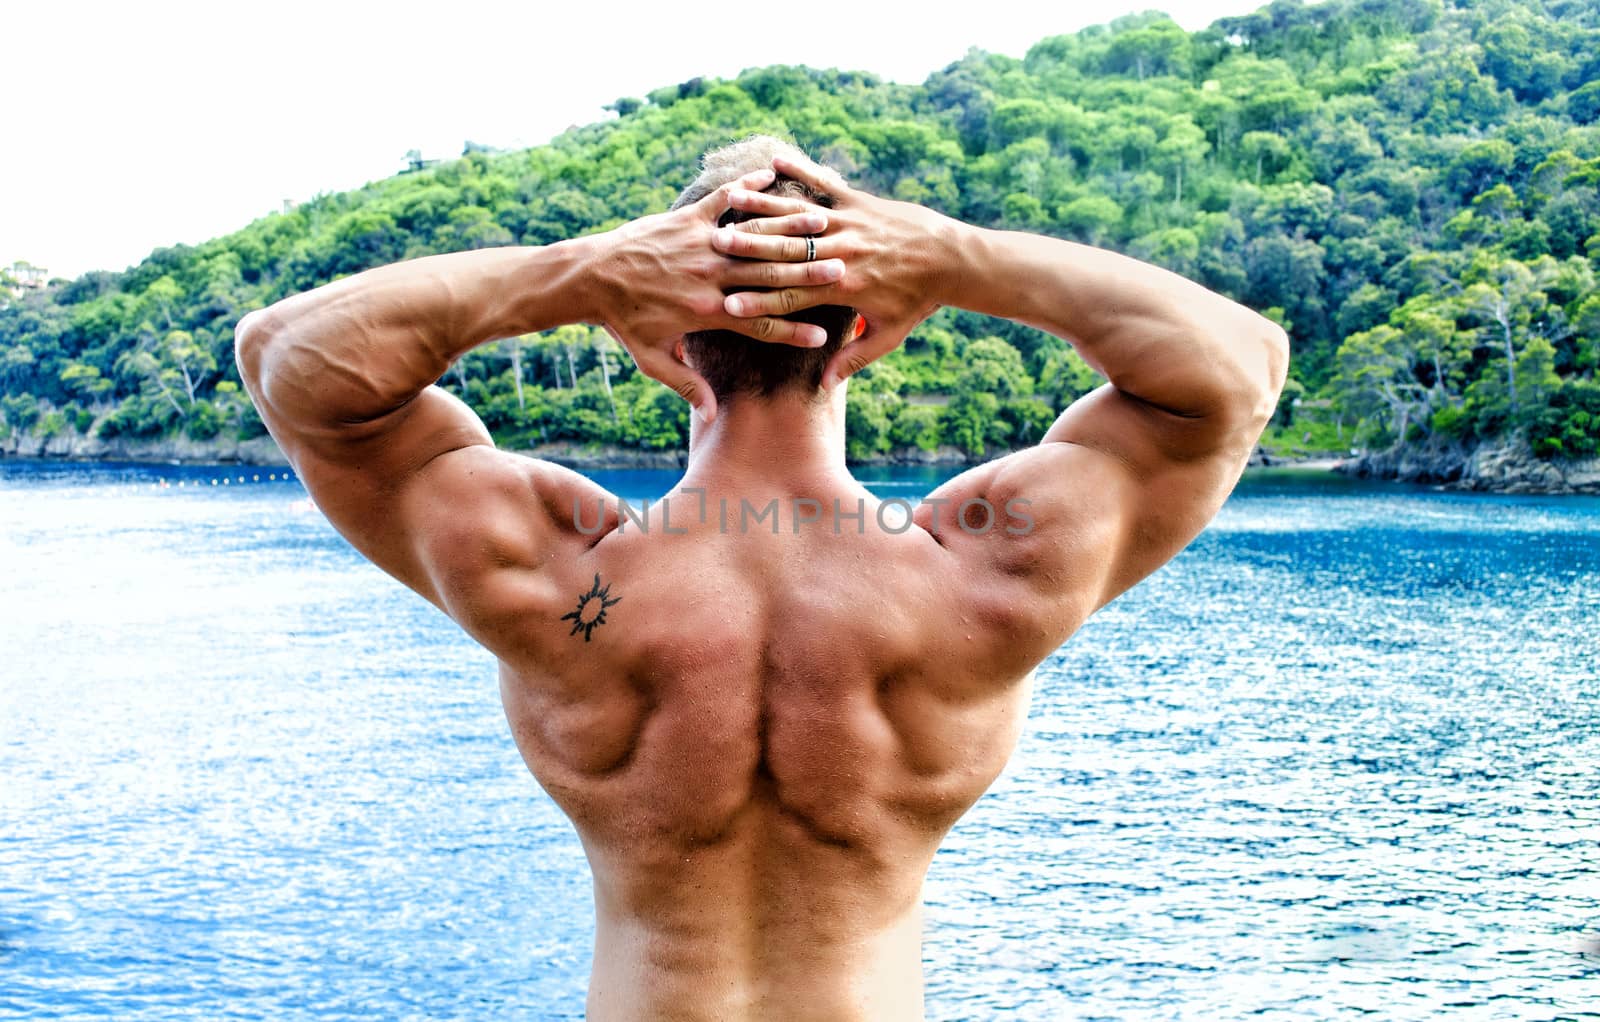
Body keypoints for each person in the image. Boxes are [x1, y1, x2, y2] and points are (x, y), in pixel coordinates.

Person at [235, 135, 1287, 1020]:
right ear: (865, 336)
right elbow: (1239, 370)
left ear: (665, 340)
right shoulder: (990, 567)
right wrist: (956, 257)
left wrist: (590, 272)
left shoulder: (553, 576)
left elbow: (288, 358)